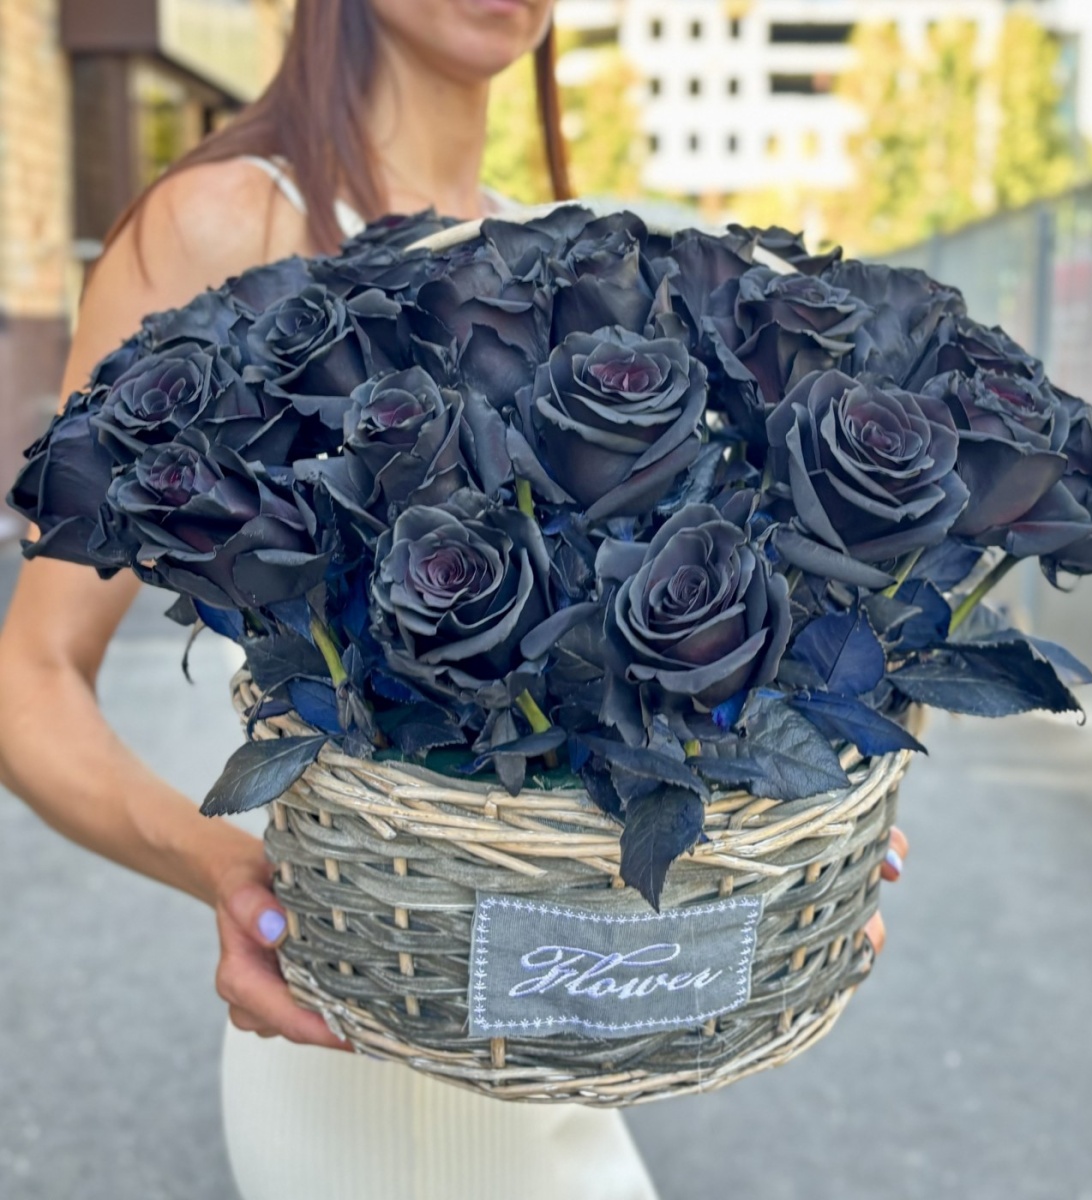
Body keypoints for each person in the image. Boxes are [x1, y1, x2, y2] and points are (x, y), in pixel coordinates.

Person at [0, 2, 910, 1197]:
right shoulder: (227, 218)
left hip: (562, 1049)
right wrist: (226, 871)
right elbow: (29, 676)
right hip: (368, 1055)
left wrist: (775, 843)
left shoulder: (555, 249)